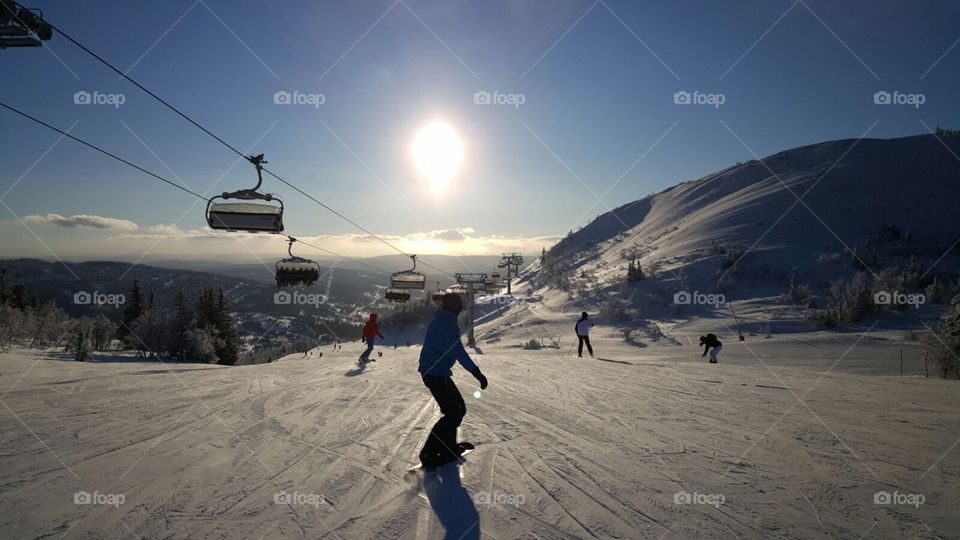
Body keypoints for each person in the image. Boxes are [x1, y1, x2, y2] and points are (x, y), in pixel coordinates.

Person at [418, 293, 488, 469]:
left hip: (434, 372)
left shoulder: (440, 320)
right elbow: (458, 352)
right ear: (455, 309)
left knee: (456, 409)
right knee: (454, 411)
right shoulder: (448, 324)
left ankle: (448, 447)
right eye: (459, 309)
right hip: (435, 374)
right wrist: (476, 372)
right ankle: (428, 453)